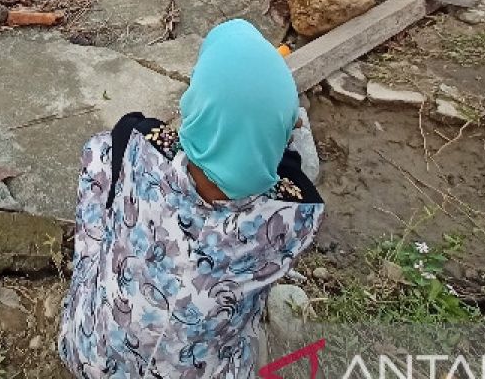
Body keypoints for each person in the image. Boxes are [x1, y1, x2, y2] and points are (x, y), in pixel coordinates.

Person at [59, 19, 323, 379]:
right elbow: (294, 170)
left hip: (91, 356)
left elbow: (134, 127)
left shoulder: (138, 145)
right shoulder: (295, 217)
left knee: (101, 155)